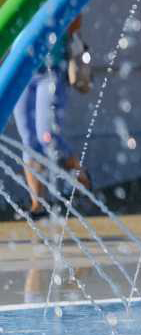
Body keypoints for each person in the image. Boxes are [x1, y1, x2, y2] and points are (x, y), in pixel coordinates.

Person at [13, 14, 91, 220]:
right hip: (19, 70)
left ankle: (81, 174)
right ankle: (38, 204)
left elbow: (76, 20)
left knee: (48, 137)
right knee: (29, 141)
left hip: (51, 69)